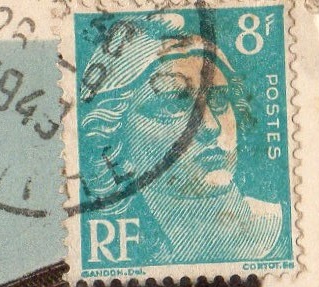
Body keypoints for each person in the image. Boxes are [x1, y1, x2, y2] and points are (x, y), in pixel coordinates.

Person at [78, 13, 284, 265]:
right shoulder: (129, 257)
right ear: (114, 145)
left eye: (219, 100)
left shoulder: (285, 228)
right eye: (172, 105)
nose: (209, 125)